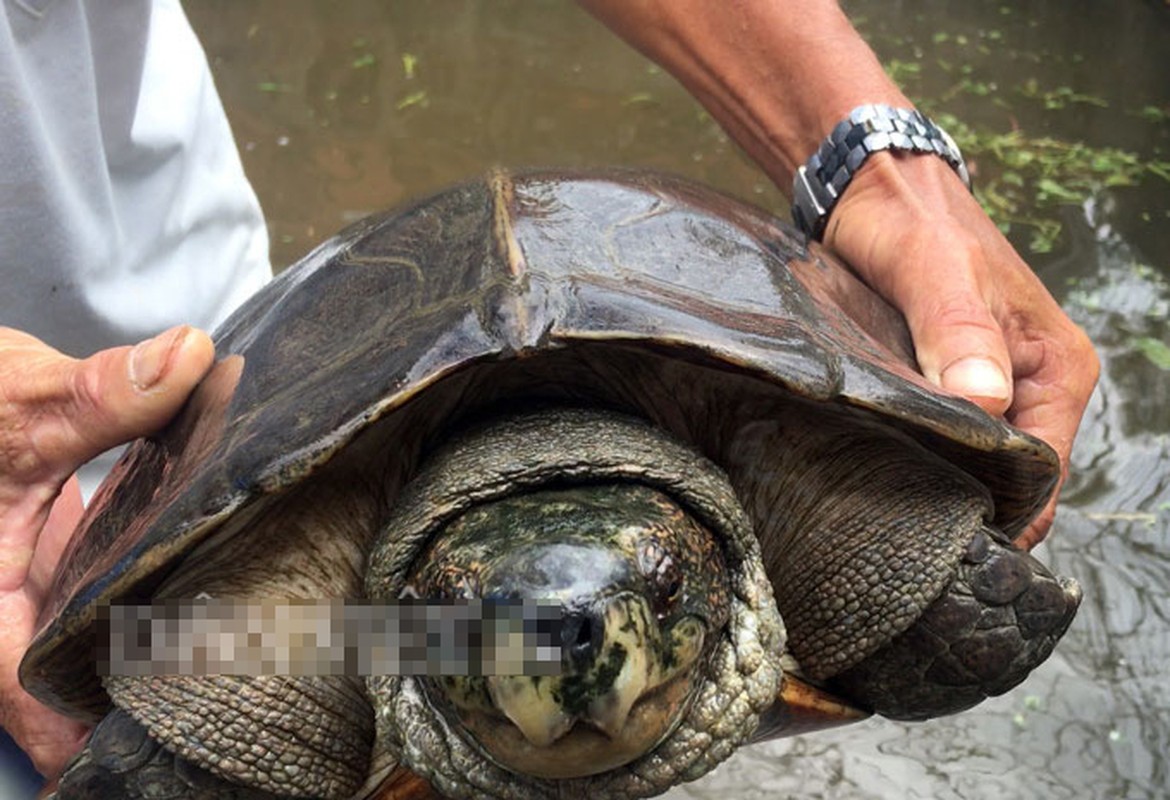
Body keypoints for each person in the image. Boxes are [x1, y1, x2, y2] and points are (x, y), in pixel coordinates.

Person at [0, 0, 1099, 789]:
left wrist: (867, 151)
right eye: (499, 643)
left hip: (193, 334)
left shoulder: (786, 477)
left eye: (665, 589)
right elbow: (180, 673)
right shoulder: (344, 627)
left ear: (718, 559)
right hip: (168, 502)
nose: (579, 688)